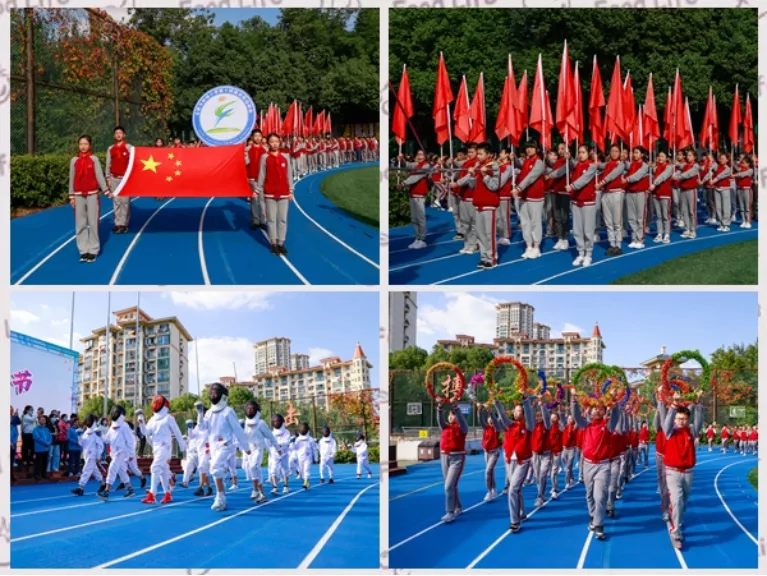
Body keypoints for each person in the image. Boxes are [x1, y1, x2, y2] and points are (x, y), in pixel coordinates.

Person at [570, 393, 621, 540]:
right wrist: (573, 400)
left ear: (605, 411)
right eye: (594, 408)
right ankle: (593, 516)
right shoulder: (586, 425)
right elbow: (576, 416)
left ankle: (599, 524)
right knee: (589, 494)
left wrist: (614, 401)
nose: (597, 411)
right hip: (587, 465)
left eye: (600, 409)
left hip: (603, 466)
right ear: (590, 411)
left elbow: (616, 416)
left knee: (600, 496)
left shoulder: (608, 426)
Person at [195, 384, 251, 511]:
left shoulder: (228, 411)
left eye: (216, 393)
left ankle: (220, 497)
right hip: (214, 447)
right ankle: (222, 496)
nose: (213, 395)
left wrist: (246, 447)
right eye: (211, 393)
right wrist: (199, 414)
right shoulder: (208, 413)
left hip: (226, 445)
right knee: (217, 470)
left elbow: (238, 430)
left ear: (222, 395)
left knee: (214, 468)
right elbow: (202, 428)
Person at [659, 391, 704, 549]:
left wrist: (697, 403)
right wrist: (674, 404)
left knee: (683, 503)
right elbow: (667, 421)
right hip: (672, 471)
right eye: (679, 418)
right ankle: (676, 532)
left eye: (684, 418)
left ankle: (677, 519)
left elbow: (699, 421)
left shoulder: (691, 431)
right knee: (677, 501)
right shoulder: (670, 432)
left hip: (688, 473)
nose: (681, 421)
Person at [493, 395, 534, 533]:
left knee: (512, 489)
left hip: (523, 461)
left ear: (523, 413)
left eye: (518, 411)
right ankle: (522, 512)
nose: (515, 413)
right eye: (515, 411)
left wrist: (525, 401)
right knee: (516, 489)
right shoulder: (510, 425)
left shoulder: (528, 426)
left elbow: (529, 414)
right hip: (511, 460)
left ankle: (514, 521)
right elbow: (503, 417)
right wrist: (496, 402)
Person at [69, 135, 112, 263]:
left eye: (85, 144)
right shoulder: (74, 160)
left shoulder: (94, 159)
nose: (83, 146)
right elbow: (72, 178)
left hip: (92, 195)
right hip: (78, 196)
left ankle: (93, 250)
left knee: (93, 223)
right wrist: (71, 196)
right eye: (81, 144)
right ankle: (83, 250)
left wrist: (106, 191)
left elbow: (99, 176)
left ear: (90, 145)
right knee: (80, 224)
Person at [142, 396, 185, 505]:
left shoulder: (168, 418)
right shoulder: (152, 419)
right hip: (156, 449)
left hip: (165, 448)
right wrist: (141, 422)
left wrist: (182, 446)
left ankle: (152, 495)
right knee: (163, 471)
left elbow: (177, 432)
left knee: (154, 467)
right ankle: (167, 494)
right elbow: (146, 432)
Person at [256, 133, 295, 256]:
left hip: (284, 193)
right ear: (268, 143)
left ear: (280, 142)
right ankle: (273, 242)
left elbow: (289, 174)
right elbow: (262, 174)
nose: (274, 144)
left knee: (282, 219)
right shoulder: (264, 157)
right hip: (269, 193)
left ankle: (281, 243)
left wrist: (291, 191)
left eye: (276, 141)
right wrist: (257, 190)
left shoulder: (285, 157)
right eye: (272, 141)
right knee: (271, 219)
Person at [512, 141, 546, 259]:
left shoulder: (539, 162)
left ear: (537, 149)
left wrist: (518, 188)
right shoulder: (525, 161)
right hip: (523, 196)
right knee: (525, 222)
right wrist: (514, 159)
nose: (529, 150)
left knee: (535, 222)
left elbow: (530, 177)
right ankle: (529, 245)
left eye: (531, 147)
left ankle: (537, 247)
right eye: (527, 148)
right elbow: (518, 165)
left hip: (535, 196)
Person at [469, 143, 500, 269]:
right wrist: (472, 176)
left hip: (489, 205)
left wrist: (485, 175)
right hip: (478, 204)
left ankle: (492, 258)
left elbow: (494, 186)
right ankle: (483, 257)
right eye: (478, 153)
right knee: (480, 234)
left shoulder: (494, 166)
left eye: (481, 154)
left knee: (489, 234)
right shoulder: (478, 166)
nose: (478, 156)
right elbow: (472, 186)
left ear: (489, 154)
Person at [566, 145, 598, 267]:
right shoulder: (577, 165)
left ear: (588, 153)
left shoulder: (592, 166)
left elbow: (584, 179)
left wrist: (573, 186)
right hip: (575, 201)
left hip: (588, 202)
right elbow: (571, 163)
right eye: (579, 152)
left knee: (588, 230)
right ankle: (580, 253)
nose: (580, 154)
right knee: (577, 230)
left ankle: (588, 254)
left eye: (583, 152)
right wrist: (568, 158)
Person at [437, 401, 468, 524]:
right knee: (451, 486)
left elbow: (462, 421)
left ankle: (450, 512)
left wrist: (457, 409)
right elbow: (440, 421)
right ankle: (458, 506)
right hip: (444, 457)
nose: (451, 417)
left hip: (457, 458)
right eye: (450, 414)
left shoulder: (462, 428)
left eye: (454, 415)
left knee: (449, 486)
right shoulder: (445, 427)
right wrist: (439, 408)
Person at [242, 400, 279, 503]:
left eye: (252, 409)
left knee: (254, 466)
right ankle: (261, 493)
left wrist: (278, 448)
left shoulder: (261, 423)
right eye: (248, 409)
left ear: (256, 410)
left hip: (258, 448)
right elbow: (242, 437)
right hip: (250, 450)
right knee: (254, 470)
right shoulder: (245, 423)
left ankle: (254, 490)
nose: (250, 411)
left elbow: (270, 436)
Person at [97, 405, 135, 501]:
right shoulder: (112, 427)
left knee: (112, 469)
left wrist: (131, 454)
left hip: (121, 452)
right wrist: (100, 433)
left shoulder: (124, 426)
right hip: (114, 453)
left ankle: (106, 491)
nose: (114, 413)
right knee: (121, 471)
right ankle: (130, 489)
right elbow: (107, 440)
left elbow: (130, 441)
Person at [596, 144, 626, 256]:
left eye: (616, 151)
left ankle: (618, 245)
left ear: (619, 153)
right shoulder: (607, 164)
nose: (614, 153)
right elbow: (598, 166)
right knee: (608, 222)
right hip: (606, 194)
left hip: (616, 193)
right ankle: (612, 244)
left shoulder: (621, 164)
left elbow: (612, 175)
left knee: (616, 221)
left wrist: (601, 183)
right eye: (612, 151)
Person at [398, 150, 431, 250]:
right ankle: (417, 238)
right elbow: (407, 164)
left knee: (420, 218)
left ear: (425, 156)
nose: (419, 156)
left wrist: (403, 183)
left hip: (420, 195)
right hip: (412, 194)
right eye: (418, 154)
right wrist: (402, 159)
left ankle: (422, 239)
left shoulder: (426, 166)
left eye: (421, 154)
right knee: (414, 218)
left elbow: (415, 177)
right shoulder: (417, 164)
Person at [453, 145, 480, 255]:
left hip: (472, 196)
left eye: (472, 152)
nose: (469, 154)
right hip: (463, 196)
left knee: (473, 223)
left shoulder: (477, 163)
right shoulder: (465, 163)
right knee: (465, 222)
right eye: (468, 152)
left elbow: (468, 177)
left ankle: (474, 245)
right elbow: (457, 170)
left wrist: (457, 183)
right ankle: (467, 244)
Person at [106, 126, 133, 234]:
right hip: (114, 178)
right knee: (116, 201)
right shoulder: (110, 148)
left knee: (125, 201)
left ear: (124, 135)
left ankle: (124, 223)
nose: (118, 135)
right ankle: (117, 223)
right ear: (114, 135)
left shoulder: (129, 147)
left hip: (125, 179)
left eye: (120, 133)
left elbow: (133, 162)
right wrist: (107, 177)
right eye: (116, 133)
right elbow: (108, 164)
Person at [623, 146, 650, 248]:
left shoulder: (644, 165)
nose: (634, 154)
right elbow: (625, 168)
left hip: (640, 193)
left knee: (640, 217)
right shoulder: (632, 164)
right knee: (631, 218)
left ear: (642, 154)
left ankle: (640, 239)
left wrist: (627, 179)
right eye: (634, 152)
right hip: (630, 192)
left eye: (637, 152)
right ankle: (634, 238)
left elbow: (637, 176)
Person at [72, 414, 104, 495]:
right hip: (86, 454)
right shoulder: (86, 432)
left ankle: (81, 487)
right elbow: (81, 444)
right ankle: (103, 483)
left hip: (93, 455)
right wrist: (79, 436)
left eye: (89, 420)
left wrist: (98, 455)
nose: (88, 421)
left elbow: (100, 445)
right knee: (94, 470)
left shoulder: (96, 431)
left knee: (86, 470)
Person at [549, 143, 573, 251]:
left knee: (564, 216)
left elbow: (559, 173)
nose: (560, 151)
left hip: (565, 193)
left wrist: (569, 158)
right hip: (555, 192)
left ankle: (566, 238)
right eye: (559, 149)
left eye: (563, 148)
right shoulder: (557, 162)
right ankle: (560, 238)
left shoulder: (570, 162)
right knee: (557, 216)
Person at [673, 149, 700, 239]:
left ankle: (693, 230)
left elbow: (688, 174)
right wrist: (675, 164)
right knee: (684, 211)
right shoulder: (685, 165)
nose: (688, 157)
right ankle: (687, 229)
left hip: (691, 190)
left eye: (690, 155)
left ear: (694, 157)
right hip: (683, 190)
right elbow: (680, 167)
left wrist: (678, 177)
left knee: (691, 211)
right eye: (687, 155)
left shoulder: (695, 166)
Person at [478, 403, 502, 501]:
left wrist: (490, 412)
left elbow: (495, 422)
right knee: (490, 472)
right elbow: (480, 421)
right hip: (486, 453)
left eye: (492, 419)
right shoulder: (486, 428)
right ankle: (494, 489)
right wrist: (479, 411)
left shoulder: (497, 429)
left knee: (488, 471)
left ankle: (489, 491)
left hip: (494, 453)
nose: (490, 420)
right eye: (489, 418)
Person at [649, 150, 674, 244]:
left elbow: (663, 176)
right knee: (658, 216)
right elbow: (651, 173)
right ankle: (659, 233)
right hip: (656, 194)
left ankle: (666, 234)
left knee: (665, 215)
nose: (660, 158)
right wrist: (650, 166)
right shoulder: (655, 168)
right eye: (659, 156)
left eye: (663, 156)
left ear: (666, 158)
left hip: (665, 194)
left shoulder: (669, 167)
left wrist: (654, 184)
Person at [246, 129, 268, 231]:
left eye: (259, 136)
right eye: (255, 136)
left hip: (262, 179)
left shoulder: (265, 149)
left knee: (262, 200)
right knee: (254, 200)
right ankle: (256, 220)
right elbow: (244, 164)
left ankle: (263, 220)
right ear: (252, 137)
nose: (257, 138)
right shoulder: (247, 150)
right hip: (251, 178)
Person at [494, 147, 514, 246]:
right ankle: (501, 235)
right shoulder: (499, 166)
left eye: (502, 152)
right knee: (497, 217)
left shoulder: (509, 167)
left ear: (507, 155)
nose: (500, 154)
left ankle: (506, 236)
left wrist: (494, 185)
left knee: (504, 217)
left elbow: (501, 181)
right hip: (497, 194)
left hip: (504, 195)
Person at [268, 414, 291, 494]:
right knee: (273, 470)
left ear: (282, 422)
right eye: (274, 421)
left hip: (284, 453)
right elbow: (269, 443)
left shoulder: (286, 432)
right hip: (274, 454)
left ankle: (286, 486)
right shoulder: (271, 433)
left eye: (278, 421)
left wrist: (278, 445)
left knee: (285, 470)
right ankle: (275, 487)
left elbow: (286, 442)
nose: (276, 423)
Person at [711, 153, 733, 232]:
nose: (721, 160)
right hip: (717, 189)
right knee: (718, 207)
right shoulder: (717, 167)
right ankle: (721, 223)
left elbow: (720, 176)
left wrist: (713, 181)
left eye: (723, 158)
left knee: (726, 207)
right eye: (720, 158)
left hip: (725, 189)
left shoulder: (728, 169)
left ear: (727, 160)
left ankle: (726, 224)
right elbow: (710, 173)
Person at [294, 423, 319, 489]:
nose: (303, 429)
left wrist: (316, 458)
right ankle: (305, 480)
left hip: (308, 457)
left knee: (306, 470)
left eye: (304, 428)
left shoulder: (310, 439)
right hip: (300, 458)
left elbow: (314, 449)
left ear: (307, 430)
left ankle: (306, 482)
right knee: (301, 473)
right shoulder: (298, 439)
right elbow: (295, 448)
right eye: (302, 428)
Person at [734, 156, 754, 228]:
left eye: (744, 163)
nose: (742, 164)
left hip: (747, 189)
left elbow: (743, 174)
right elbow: (736, 168)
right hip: (740, 189)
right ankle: (743, 221)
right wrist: (732, 163)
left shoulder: (750, 170)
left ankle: (748, 221)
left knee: (747, 207)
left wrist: (735, 175)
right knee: (742, 206)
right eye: (741, 163)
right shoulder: (740, 169)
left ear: (748, 164)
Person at [548, 410, 564, 499]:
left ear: (558, 418)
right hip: (548, 452)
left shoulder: (560, 426)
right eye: (551, 417)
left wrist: (560, 408)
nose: (552, 419)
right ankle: (554, 486)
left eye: (554, 417)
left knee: (554, 472)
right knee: (551, 472)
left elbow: (563, 424)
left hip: (557, 452)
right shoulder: (548, 426)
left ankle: (554, 490)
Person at [32, 414, 52, 481]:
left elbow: (50, 437)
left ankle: (44, 474)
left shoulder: (46, 429)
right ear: (39, 421)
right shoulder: (35, 429)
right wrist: (44, 443)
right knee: (38, 463)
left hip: (46, 448)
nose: (44, 421)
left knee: (45, 462)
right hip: (39, 448)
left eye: (44, 420)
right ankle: (37, 475)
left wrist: (49, 442)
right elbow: (37, 438)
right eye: (42, 420)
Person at [181, 419, 200, 488]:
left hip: (199, 454)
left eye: (193, 426)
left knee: (202, 470)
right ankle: (185, 482)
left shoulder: (201, 434)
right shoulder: (190, 435)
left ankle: (206, 485)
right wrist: (185, 440)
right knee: (187, 467)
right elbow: (187, 444)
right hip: (191, 454)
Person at [562, 414, 578, 489]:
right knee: (567, 464)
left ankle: (567, 482)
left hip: (572, 449)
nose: (569, 420)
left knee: (568, 467)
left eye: (571, 418)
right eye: (568, 418)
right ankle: (572, 477)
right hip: (564, 449)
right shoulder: (565, 427)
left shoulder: (574, 427)